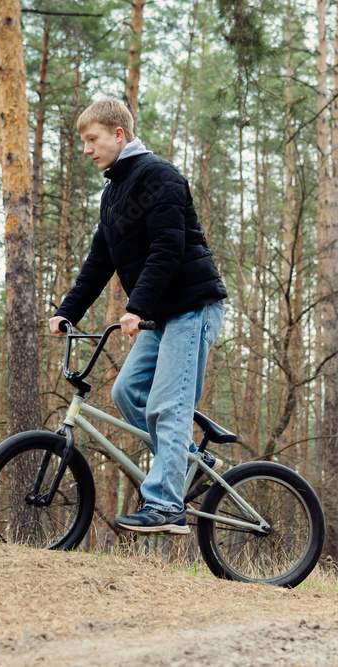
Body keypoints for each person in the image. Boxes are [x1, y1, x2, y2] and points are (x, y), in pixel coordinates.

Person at [48, 97, 228, 535]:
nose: (87, 149)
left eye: (92, 140)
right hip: (161, 314)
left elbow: (169, 248)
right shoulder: (114, 192)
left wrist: (136, 307)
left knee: (168, 405)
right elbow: (98, 263)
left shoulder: (159, 176)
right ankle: (191, 459)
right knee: (128, 393)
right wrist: (65, 312)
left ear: (118, 134)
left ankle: (166, 506)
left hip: (192, 306)